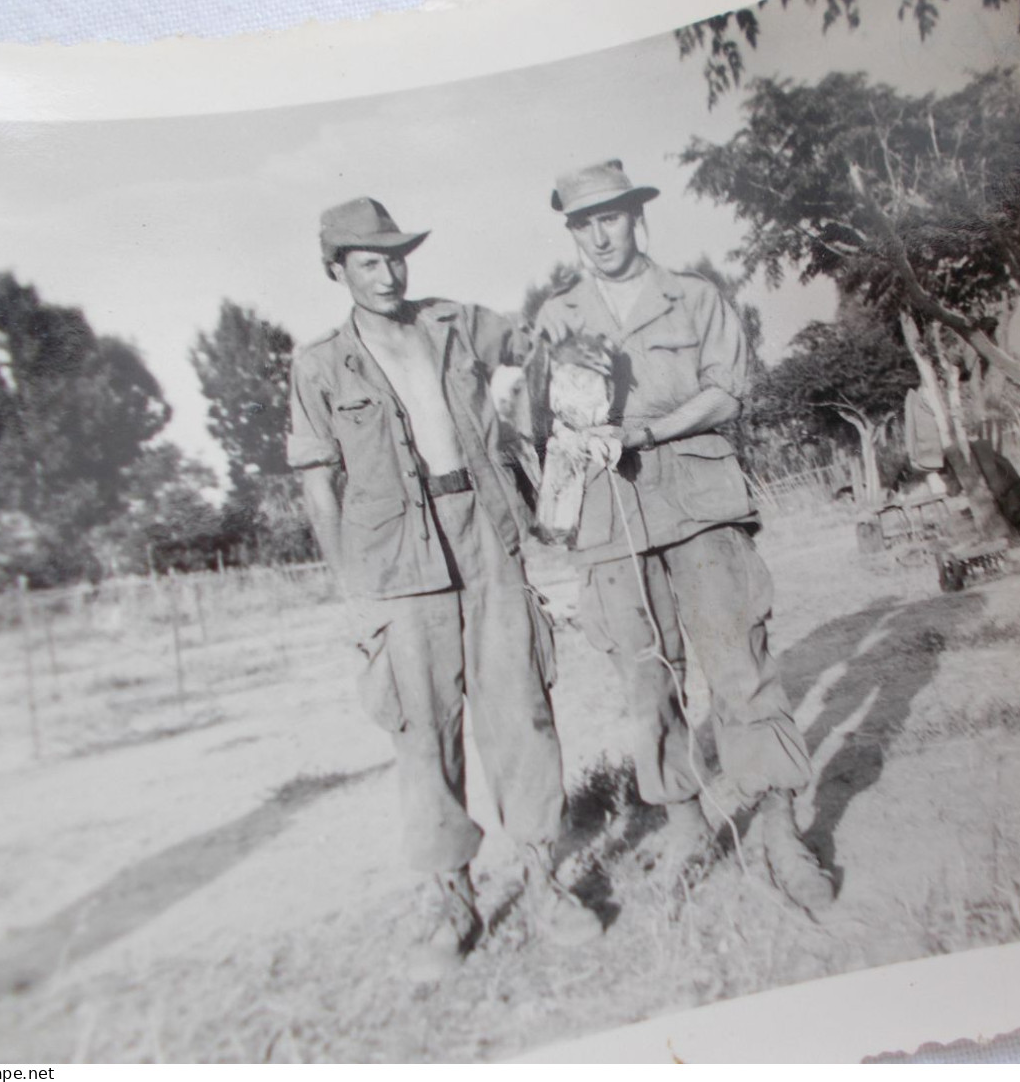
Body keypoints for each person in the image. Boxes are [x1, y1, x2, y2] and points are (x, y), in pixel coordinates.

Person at [287, 197, 601, 981]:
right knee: (423, 731)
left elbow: (537, 341)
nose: (388, 273)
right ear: (339, 270)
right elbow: (318, 486)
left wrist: (562, 346)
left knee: (520, 708)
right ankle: (451, 900)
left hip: (484, 529)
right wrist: (354, 588)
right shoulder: (319, 362)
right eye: (368, 261)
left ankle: (543, 878)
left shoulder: (456, 321)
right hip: (395, 557)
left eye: (396, 256)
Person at [530, 160, 835, 919]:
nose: (601, 236)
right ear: (572, 233)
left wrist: (650, 428)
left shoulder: (696, 297)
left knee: (740, 669)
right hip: (611, 519)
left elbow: (729, 391)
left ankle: (777, 828)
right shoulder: (557, 319)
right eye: (584, 223)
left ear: (638, 218)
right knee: (646, 684)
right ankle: (685, 827)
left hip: (698, 502)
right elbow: (548, 421)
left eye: (612, 218)